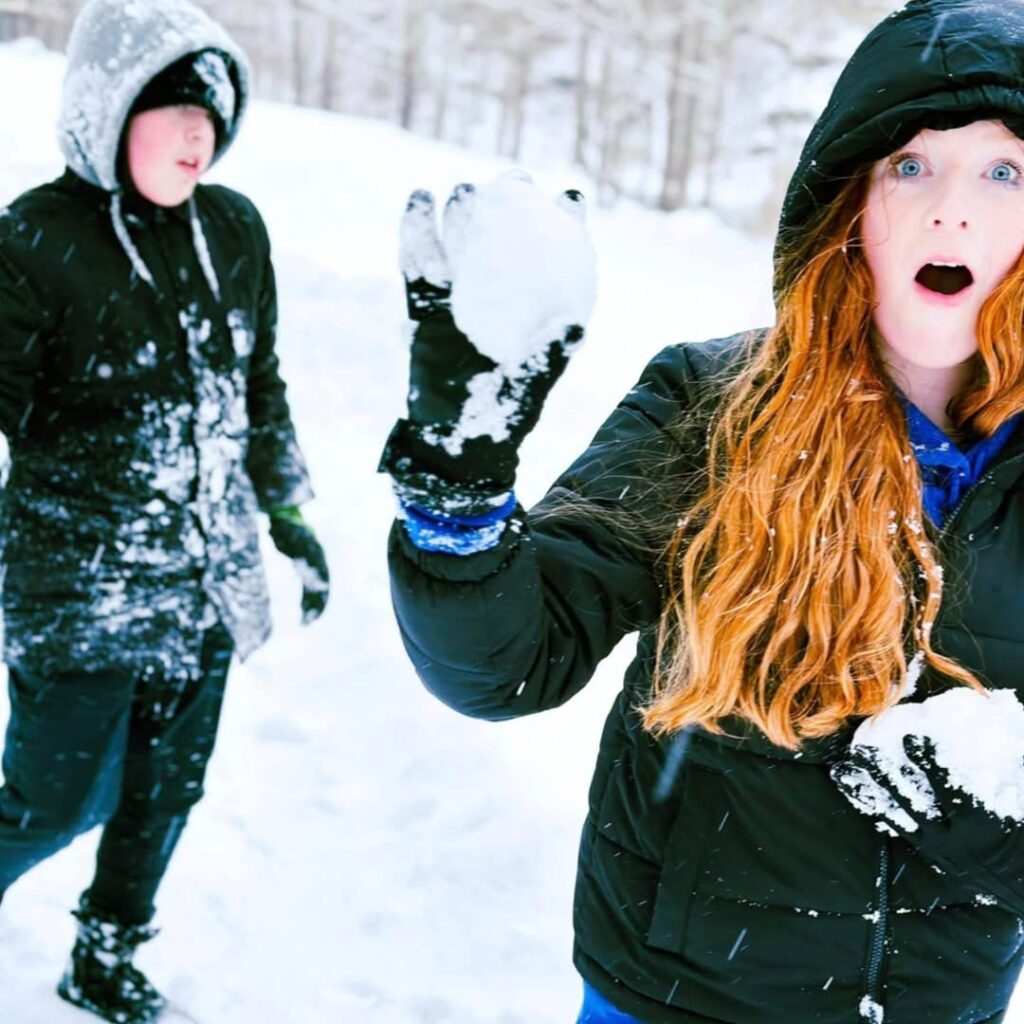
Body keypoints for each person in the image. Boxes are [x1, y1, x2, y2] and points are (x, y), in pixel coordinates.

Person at [380, 1, 1024, 1021]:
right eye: (910, 165)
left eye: (1003, 172)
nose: (952, 209)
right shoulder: (711, 404)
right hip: (672, 995)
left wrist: (1001, 826)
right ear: (847, 200)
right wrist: (457, 478)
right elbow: (507, 662)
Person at [0, 0, 329, 1020]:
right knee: (57, 797)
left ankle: (105, 951)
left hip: (202, 577)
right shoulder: (34, 242)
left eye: (214, 111)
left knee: (163, 791)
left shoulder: (233, 229)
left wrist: (287, 513)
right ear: (108, 111)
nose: (200, 132)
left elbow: (257, 384)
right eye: (173, 108)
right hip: (79, 582)